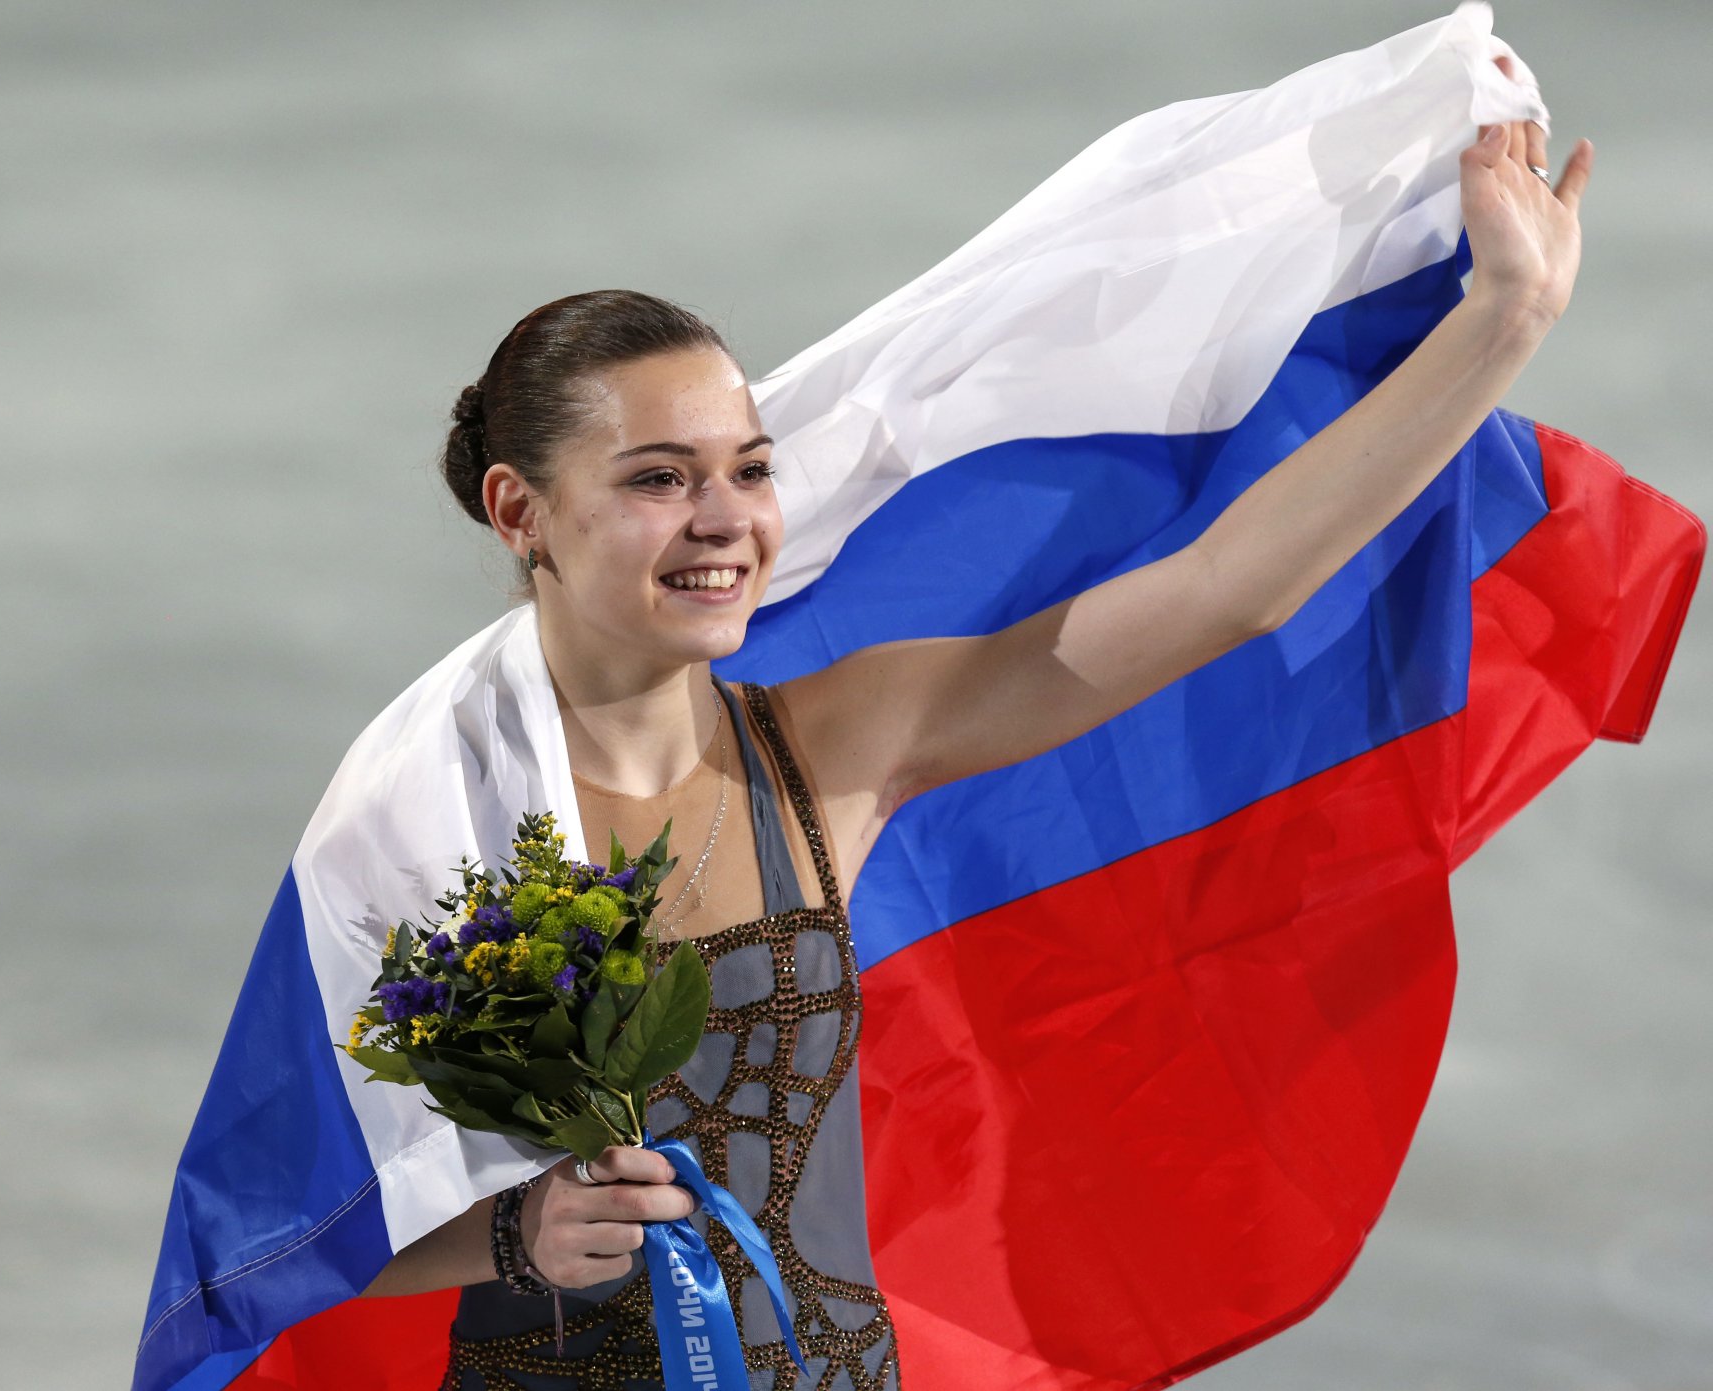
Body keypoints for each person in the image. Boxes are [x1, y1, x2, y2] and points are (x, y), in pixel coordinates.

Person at [349, 87, 1592, 1390]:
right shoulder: (433, 808)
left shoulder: (840, 744)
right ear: (521, 508)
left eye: (751, 470)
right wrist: (519, 1230)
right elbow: (282, 1227)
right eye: (660, 479)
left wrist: (1506, 318)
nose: (725, 519)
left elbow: (1227, 587)